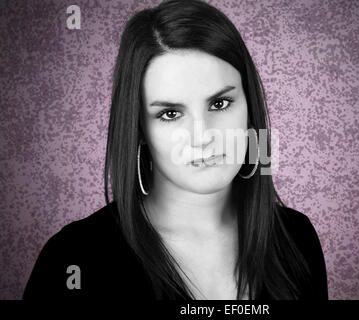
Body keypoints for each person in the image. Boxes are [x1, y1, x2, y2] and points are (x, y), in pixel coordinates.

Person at [23, 0, 328, 300]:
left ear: (249, 107)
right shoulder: (75, 257)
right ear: (139, 128)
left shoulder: (295, 238)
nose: (203, 136)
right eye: (170, 114)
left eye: (220, 103)